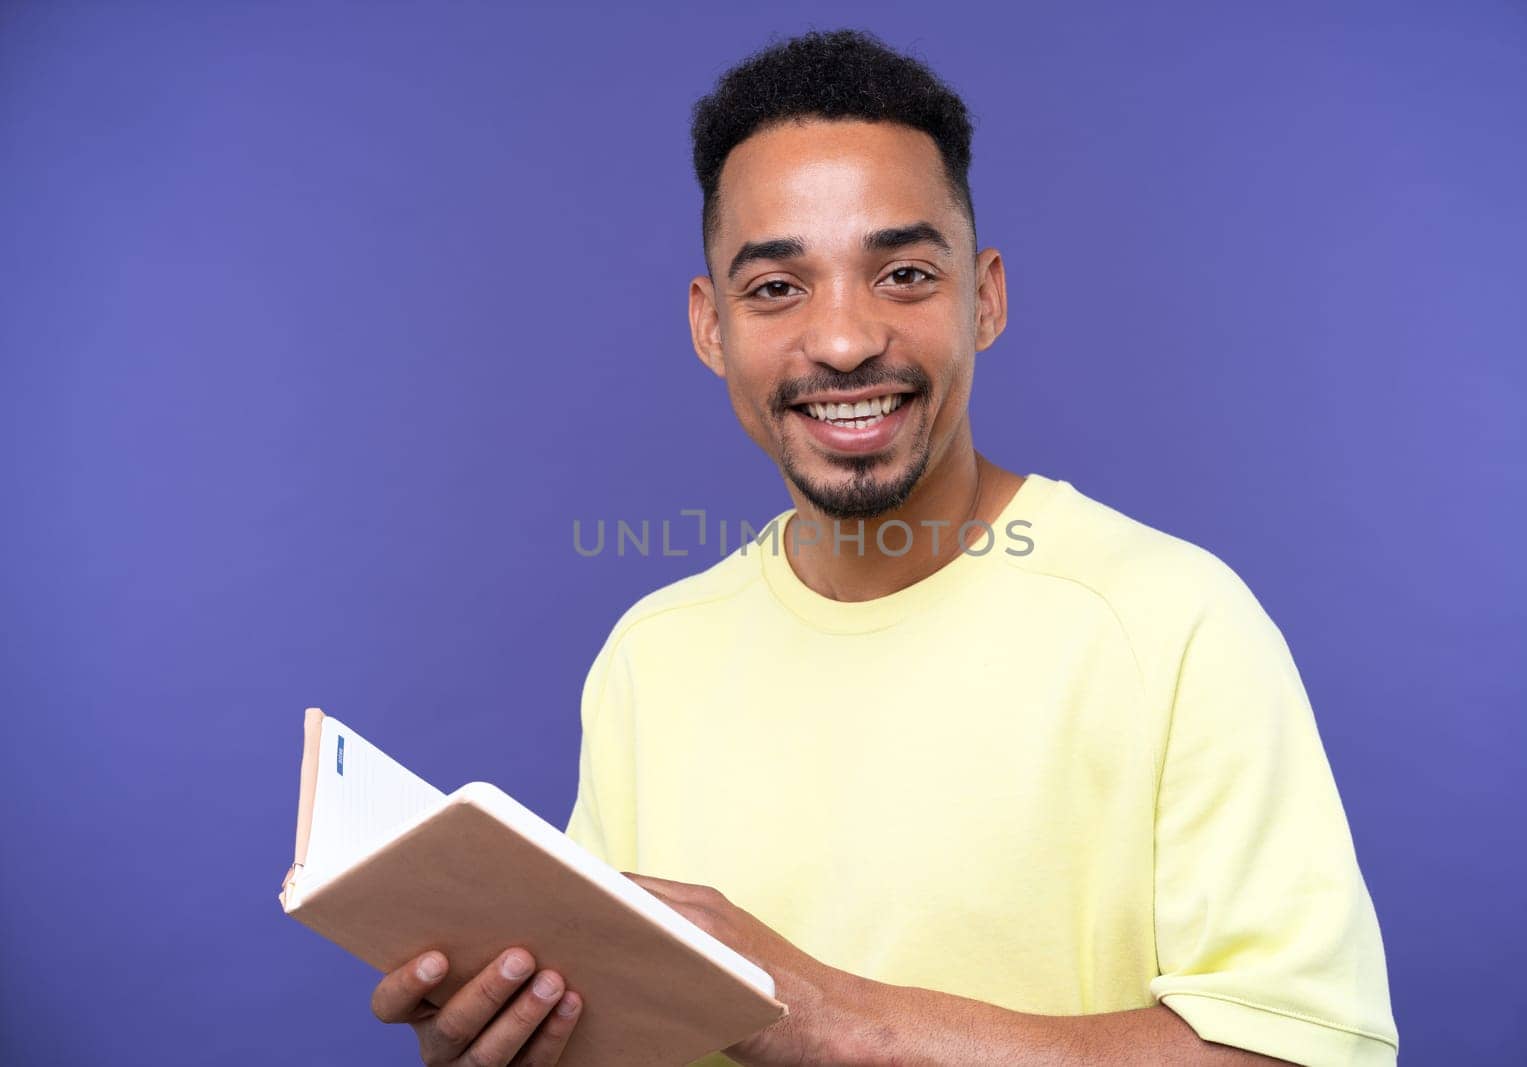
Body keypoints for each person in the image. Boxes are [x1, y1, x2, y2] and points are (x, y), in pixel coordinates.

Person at [368, 29, 1400, 1067]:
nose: (845, 339)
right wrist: (528, 1042)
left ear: (983, 297)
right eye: (776, 287)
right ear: (709, 325)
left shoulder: (1174, 622)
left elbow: (1308, 1051)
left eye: (902, 272)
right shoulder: (650, 655)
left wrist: (835, 1019)